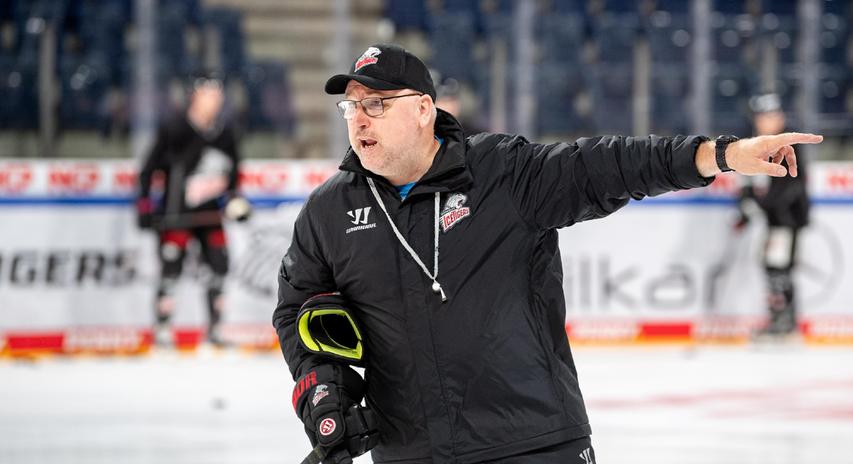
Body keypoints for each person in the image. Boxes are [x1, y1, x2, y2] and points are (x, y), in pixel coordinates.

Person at [272, 44, 821, 463]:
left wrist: (719, 153)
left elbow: (612, 164)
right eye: (351, 106)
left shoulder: (503, 174)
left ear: (422, 110)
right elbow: (297, 309)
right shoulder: (327, 212)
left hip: (535, 444)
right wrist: (321, 389)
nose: (358, 118)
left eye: (376, 103)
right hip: (414, 451)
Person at [137, 73, 251, 347]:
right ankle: (163, 328)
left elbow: (234, 175)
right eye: (208, 93)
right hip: (177, 214)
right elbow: (148, 170)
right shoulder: (174, 129)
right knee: (171, 268)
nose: (214, 99)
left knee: (219, 267)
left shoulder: (225, 134)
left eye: (217, 94)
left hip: (210, 215)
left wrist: (236, 201)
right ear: (194, 97)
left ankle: (215, 329)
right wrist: (144, 206)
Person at [736, 92, 810, 338]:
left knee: (778, 267)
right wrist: (746, 203)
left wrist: (761, 204)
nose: (763, 121)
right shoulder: (759, 143)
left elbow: (792, 184)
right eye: (760, 117)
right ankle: (781, 320)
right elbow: (749, 179)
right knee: (773, 266)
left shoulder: (789, 143)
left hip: (786, 220)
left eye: (769, 116)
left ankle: (784, 322)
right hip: (775, 219)